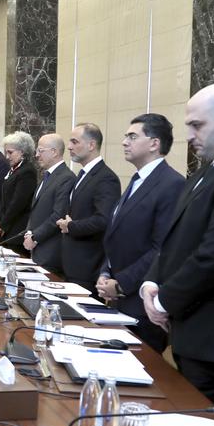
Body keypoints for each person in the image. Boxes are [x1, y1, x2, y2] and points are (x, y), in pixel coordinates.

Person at [140, 83, 214, 424]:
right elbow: (175, 238)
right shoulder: (209, 170)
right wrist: (151, 282)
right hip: (191, 332)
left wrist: (165, 300)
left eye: (196, 125)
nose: (187, 135)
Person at [94, 114, 184, 353]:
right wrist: (106, 272)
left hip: (141, 304)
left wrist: (121, 284)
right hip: (119, 299)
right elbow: (117, 236)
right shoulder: (137, 180)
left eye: (132, 136)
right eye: (125, 137)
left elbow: (162, 248)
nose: (124, 142)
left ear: (154, 143)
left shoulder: (171, 184)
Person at [57, 123, 121, 291]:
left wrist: (70, 226)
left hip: (87, 268)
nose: (69, 147)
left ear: (91, 145)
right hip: (70, 264)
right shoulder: (83, 174)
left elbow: (104, 220)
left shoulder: (106, 178)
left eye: (74, 142)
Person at [23, 133, 75, 273]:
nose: (36, 155)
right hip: (36, 249)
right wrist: (29, 233)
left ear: (54, 152)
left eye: (41, 150)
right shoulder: (47, 176)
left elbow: (58, 214)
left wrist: (35, 237)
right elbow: (36, 210)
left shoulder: (66, 178)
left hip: (50, 253)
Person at [0, 132, 37, 246]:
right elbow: (4, 200)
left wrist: (2, 224)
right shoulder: (14, 169)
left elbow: (18, 203)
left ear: (22, 152)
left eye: (10, 152)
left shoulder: (27, 171)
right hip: (7, 224)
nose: (7, 157)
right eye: (6, 152)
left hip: (17, 226)